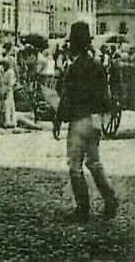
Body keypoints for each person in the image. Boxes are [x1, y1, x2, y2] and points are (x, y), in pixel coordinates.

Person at [53, 22, 119, 223]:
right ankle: (110, 199)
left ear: (74, 44)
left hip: (79, 121)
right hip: (96, 120)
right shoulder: (98, 66)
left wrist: (58, 121)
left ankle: (83, 208)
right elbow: (104, 97)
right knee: (94, 162)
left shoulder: (74, 68)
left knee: (75, 165)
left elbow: (67, 98)